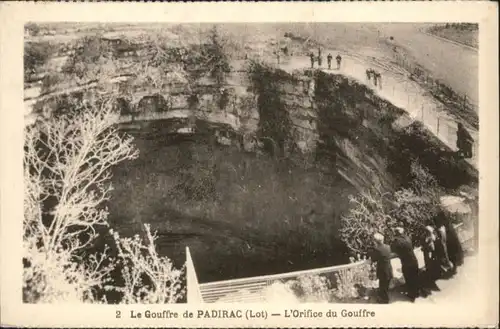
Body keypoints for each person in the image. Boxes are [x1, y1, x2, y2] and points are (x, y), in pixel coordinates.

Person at [391, 227, 422, 301]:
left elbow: (393, 251)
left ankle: (412, 295)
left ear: (396, 233)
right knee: (415, 277)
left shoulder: (397, 241)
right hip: (414, 260)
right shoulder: (408, 238)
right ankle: (417, 292)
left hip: (406, 262)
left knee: (409, 278)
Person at [369, 233, 394, 304]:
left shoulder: (377, 249)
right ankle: (384, 299)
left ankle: (384, 301)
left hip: (382, 271)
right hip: (388, 269)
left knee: (382, 287)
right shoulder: (388, 247)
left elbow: (373, 259)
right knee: (385, 286)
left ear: (375, 241)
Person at [433, 210, 455, 276]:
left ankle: (447, 270)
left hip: (442, 245)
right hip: (444, 244)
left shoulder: (439, 230)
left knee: (443, 258)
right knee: (446, 257)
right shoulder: (443, 228)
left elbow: (440, 240)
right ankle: (449, 268)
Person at [421, 226, 441, 291]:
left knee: (429, 265)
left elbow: (428, 246)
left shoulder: (428, 237)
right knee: (430, 265)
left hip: (429, 253)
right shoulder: (431, 236)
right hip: (430, 253)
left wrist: (424, 247)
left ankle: (430, 280)